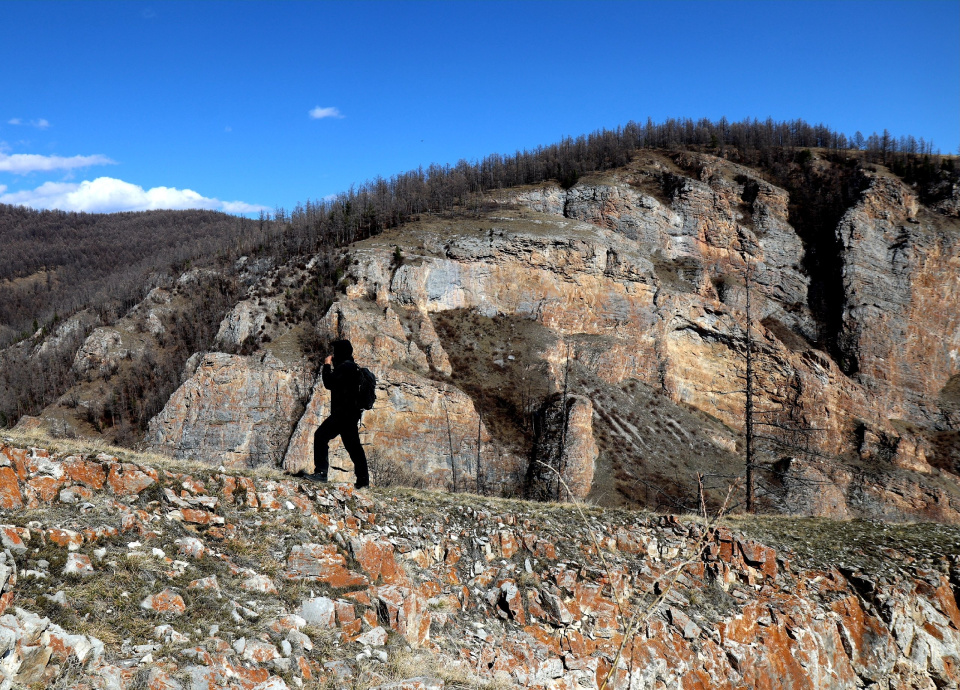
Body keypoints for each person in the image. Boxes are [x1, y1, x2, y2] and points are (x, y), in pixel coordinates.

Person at [299, 339, 370, 488]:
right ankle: (363, 482)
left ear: (340, 352)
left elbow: (328, 383)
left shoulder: (345, 368)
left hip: (342, 414)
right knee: (354, 448)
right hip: (351, 414)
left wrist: (326, 365)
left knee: (320, 436)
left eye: (335, 351)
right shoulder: (353, 367)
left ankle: (321, 473)